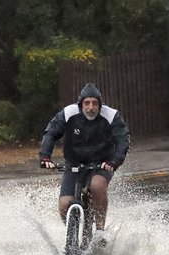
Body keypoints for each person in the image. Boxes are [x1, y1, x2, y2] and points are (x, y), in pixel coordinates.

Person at [39, 83, 130, 232]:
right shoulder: (69, 113)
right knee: (64, 205)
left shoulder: (111, 115)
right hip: (74, 164)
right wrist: (45, 157)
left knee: (97, 185)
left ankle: (100, 230)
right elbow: (51, 133)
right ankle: (73, 235)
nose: (90, 107)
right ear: (81, 104)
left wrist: (114, 162)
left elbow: (123, 141)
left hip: (102, 164)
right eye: (87, 103)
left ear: (100, 105)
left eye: (95, 103)